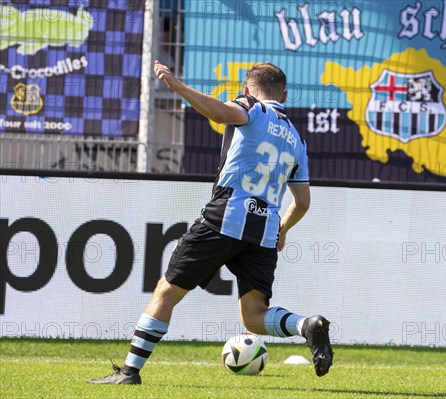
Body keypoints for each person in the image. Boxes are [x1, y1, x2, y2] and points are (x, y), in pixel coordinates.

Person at [89, 60, 334, 384]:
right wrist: (283, 229)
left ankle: (130, 371)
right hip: (263, 232)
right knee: (255, 318)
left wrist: (176, 86)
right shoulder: (297, 140)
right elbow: (302, 202)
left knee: (166, 292)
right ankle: (307, 325)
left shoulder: (252, 108)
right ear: (285, 95)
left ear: (246, 89)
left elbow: (220, 113)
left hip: (225, 218)